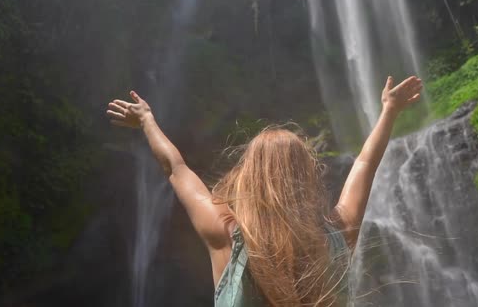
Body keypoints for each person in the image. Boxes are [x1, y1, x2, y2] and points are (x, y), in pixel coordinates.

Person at [106, 76, 423, 306]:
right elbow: (365, 164)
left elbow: (176, 169)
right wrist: (389, 112)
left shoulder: (228, 234)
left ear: (248, 176)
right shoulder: (338, 234)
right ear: (309, 177)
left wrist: (147, 121)